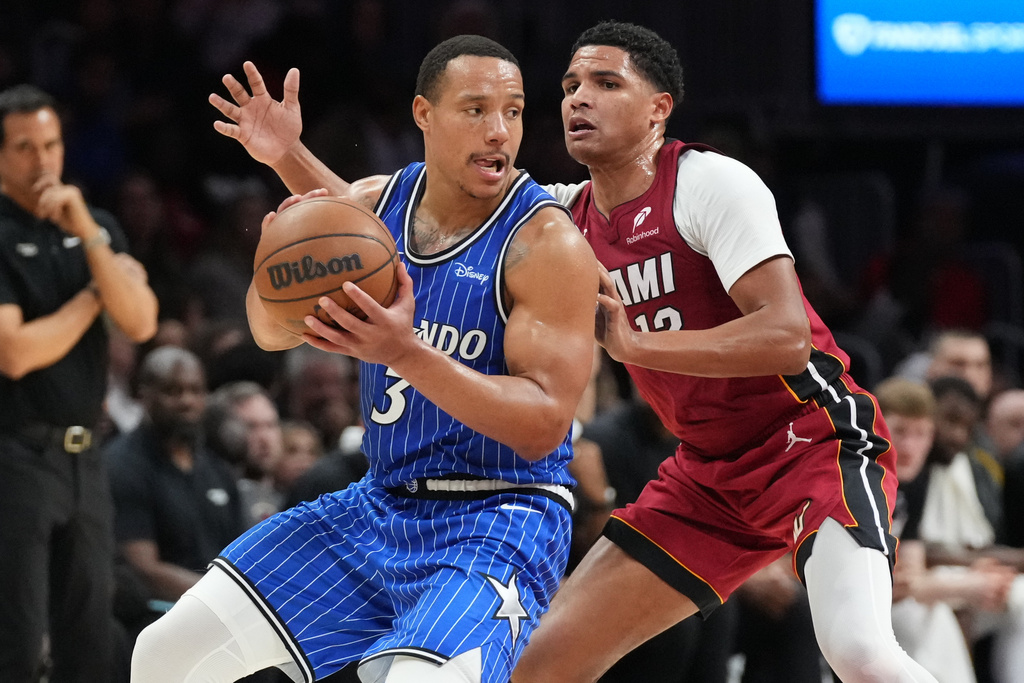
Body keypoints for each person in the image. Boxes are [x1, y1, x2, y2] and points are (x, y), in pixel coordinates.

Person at [130, 34, 598, 683]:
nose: (499, 131)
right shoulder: (378, 205)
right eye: (475, 109)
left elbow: (545, 421)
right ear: (423, 115)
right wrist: (278, 246)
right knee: (164, 655)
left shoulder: (547, 245)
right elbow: (272, 331)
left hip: (499, 518)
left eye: (513, 111)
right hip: (378, 507)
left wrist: (404, 351)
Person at [512, 21, 937, 682]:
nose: (576, 99)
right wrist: (290, 157)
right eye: (569, 86)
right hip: (708, 475)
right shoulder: (562, 217)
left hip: (812, 444)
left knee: (859, 653)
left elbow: (786, 336)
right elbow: (401, 212)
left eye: (604, 82)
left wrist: (635, 342)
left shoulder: (710, 184)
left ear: (659, 109)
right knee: (537, 665)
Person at [0, 83, 158, 683]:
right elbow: (15, 353)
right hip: (15, 456)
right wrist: (97, 294)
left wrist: (87, 228)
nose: (42, 161)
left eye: (51, 144)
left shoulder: (96, 225)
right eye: (23, 148)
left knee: (90, 645)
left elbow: (140, 320)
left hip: (83, 459)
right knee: (16, 644)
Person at [107, 346, 244, 604]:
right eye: (173, 391)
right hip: (159, 616)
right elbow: (143, 570)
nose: (187, 401)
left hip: (221, 611)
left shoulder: (216, 468)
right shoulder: (122, 466)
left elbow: (242, 554)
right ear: (143, 395)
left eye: (195, 391)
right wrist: (224, 599)